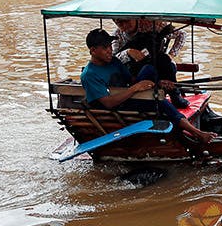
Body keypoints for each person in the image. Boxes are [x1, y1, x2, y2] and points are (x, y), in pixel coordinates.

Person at [82, 28, 213, 144]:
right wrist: (135, 88)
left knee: (149, 69)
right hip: (120, 106)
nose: (110, 50)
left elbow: (130, 80)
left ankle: (173, 93)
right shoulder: (89, 74)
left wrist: (158, 83)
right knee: (158, 100)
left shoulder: (114, 61)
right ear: (93, 50)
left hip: (130, 94)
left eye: (110, 46)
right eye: (105, 48)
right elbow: (108, 103)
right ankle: (196, 132)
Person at [112, 17, 188, 108]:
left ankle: (174, 94)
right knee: (149, 68)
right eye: (120, 23)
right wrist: (128, 52)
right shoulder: (117, 35)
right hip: (134, 71)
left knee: (169, 63)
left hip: (158, 62)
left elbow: (182, 35)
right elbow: (113, 59)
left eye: (127, 21)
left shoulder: (152, 25)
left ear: (135, 18)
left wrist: (171, 54)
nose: (125, 25)